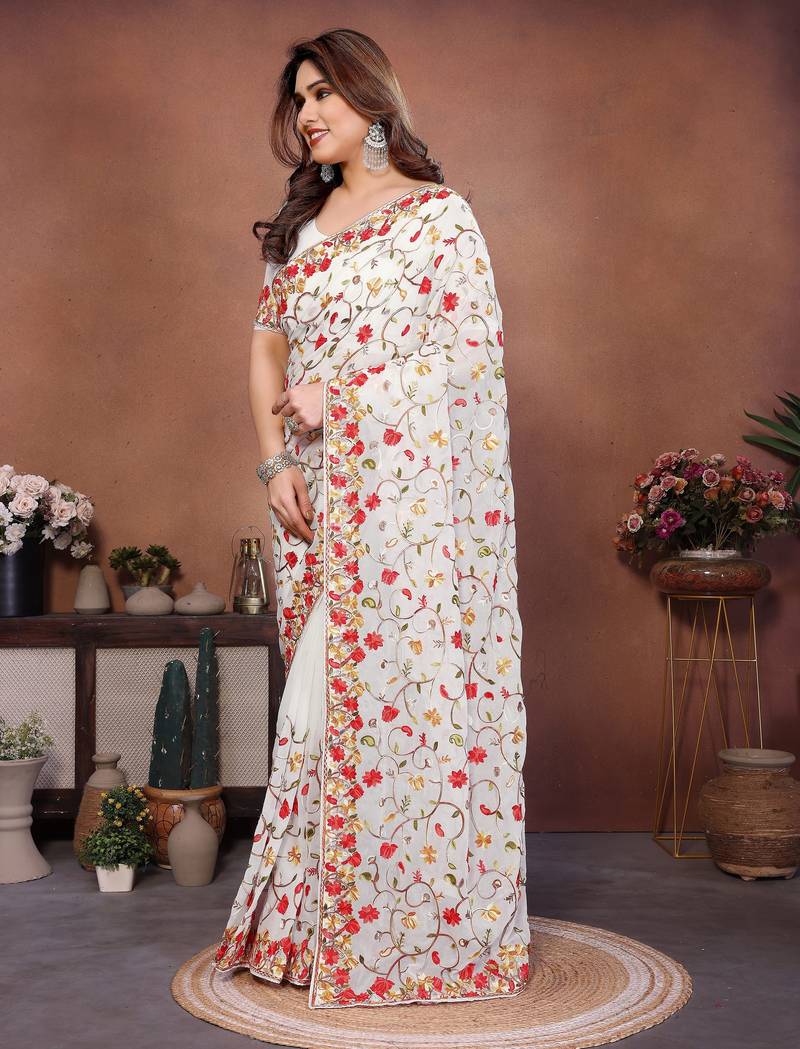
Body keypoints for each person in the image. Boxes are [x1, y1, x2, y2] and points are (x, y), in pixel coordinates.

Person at [212, 27, 530, 1010]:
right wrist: (273, 459)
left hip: (411, 518)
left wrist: (343, 399)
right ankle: (309, 928)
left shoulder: (437, 218)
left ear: (372, 101)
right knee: (323, 707)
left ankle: (407, 929)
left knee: (395, 709)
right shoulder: (299, 231)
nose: (308, 113)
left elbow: (471, 361)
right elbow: (265, 353)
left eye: (326, 94)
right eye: (300, 97)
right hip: (318, 495)